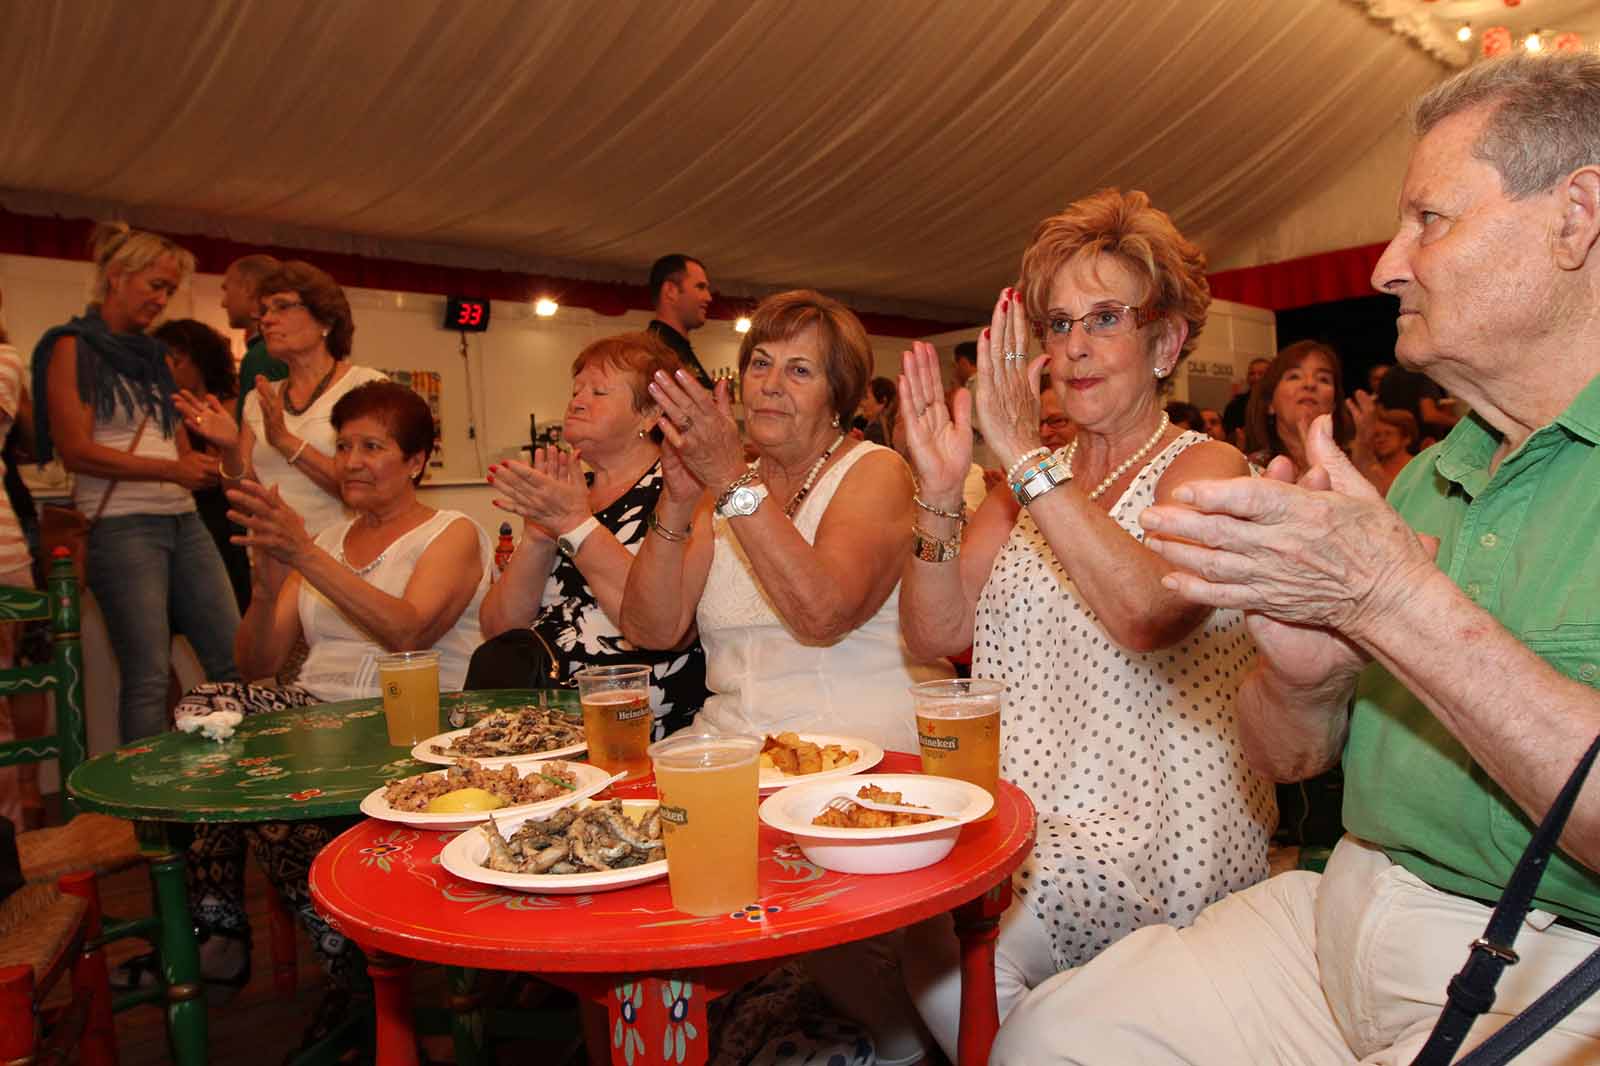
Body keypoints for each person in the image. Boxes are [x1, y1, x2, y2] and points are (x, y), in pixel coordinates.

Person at [992, 52, 1600, 1065]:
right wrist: (1304, 681)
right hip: (1338, 906)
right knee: (1046, 1037)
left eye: (1429, 220)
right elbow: (1291, 762)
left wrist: (1389, 599)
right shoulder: (1427, 478)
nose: (1385, 267)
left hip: (1550, 954)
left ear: (1576, 217)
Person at [894, 188, 1275, 1059]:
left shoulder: (1206, 466)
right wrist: (942, 491)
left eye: (1105, 318)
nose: (1073, 347)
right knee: (927, 926)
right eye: (1059, 324)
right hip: (1025, 817)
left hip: (1157, 829)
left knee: (953, 948)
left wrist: (1023, 457)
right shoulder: (1028, 486)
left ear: (1165, 342)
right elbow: (932, 632)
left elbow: (1148, 612)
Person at [621, 289, 952, 1064]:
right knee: (627, 888)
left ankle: (897, 1036)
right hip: (734, 755)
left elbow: (822, 613)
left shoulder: (875, 472)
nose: (770, 384)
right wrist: (677, 503)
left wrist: (728, 480)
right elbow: (651, 629)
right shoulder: (728, 486)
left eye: (799, 370)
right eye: (760, 364)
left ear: (839, 397)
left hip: (854, 755)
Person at [169, 381, 493, 1048]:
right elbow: (258, 661)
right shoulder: (324, 539)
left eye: (372, 447)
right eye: (344, 446)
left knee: (273, 800)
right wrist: (267, 579)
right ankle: (238, 920)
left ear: (416, 461)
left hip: (413, 725)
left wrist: (303, 555)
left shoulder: (453, 533)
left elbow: (407, 632)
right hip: (318, 717)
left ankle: (346, 975)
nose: (351, 461)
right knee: (206, 709)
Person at [33, 223, 240, 744]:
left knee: (232, 658)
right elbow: (75, 449)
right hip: (120, 525)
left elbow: (174, 445)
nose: (162, 300)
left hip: (183, 518)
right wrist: (173, 470)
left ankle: (250, 784)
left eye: (169, 290)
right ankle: (147, 798)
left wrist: (203, 455)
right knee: (148, 676)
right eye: (156, 285)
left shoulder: (154, 357)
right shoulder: (71, 347)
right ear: (117, 276)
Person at [475, 331, 707, 734]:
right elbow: (498, 628)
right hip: (539, 719)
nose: (577, 401)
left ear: (651, 413)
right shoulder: (567, 490)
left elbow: (662, 626)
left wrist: (574, 525)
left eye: (598, 392)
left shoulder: (681, 493)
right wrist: (538, 535)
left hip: (636, 726)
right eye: (575, 390)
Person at [176, 260, 387, 538]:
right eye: (264, 310)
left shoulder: (366, 387)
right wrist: (229, 448)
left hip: (341, 554)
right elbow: (241, 499)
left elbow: (371, 491)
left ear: (325, 320)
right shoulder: (259, 397)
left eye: (283, 306)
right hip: (271, 554)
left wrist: (286, 442)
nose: (266, 320)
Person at [153, 319, 252, 610]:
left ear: (198, 360)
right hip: (179, 513)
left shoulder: (233, 406)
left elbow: (235, 468)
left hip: (225, 517)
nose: (168, 370)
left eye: (176, 361)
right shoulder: (164, 410)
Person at [1243, 340, 1355, 476]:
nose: (1310, 384)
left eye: (1323, 379)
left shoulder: (1353, 464)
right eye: (1294, 376)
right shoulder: (1249, 470)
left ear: (1334, 404)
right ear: (1270, 403)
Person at [220, 253, 286, 420]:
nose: (223, 303)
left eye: (227, 290)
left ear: (249, 289)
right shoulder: (277, 350)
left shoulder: (263, 355)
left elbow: (255, 432)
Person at [646, 254, 714, 388]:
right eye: (700, 287)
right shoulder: (655, 354)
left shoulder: (672, 348)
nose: (709, 297)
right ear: (671, 291)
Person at [1359, 406, 1418, 497]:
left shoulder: (1417, 467)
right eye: (1377, 435)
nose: (1381, 440)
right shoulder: (1372, 469)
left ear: (1406, 438)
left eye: (1388, 434)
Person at [1221, 355, 1268, 448]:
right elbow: (1229, 434)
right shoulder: (1235, 405)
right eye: (1251, 374)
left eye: (1261, 374)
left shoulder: (1280, 401)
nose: (1256, 377)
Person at [853, 375, 895, 445]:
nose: (861, 403)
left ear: (882, 401)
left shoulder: (876, 431)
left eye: (866, 398)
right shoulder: (861, 422)